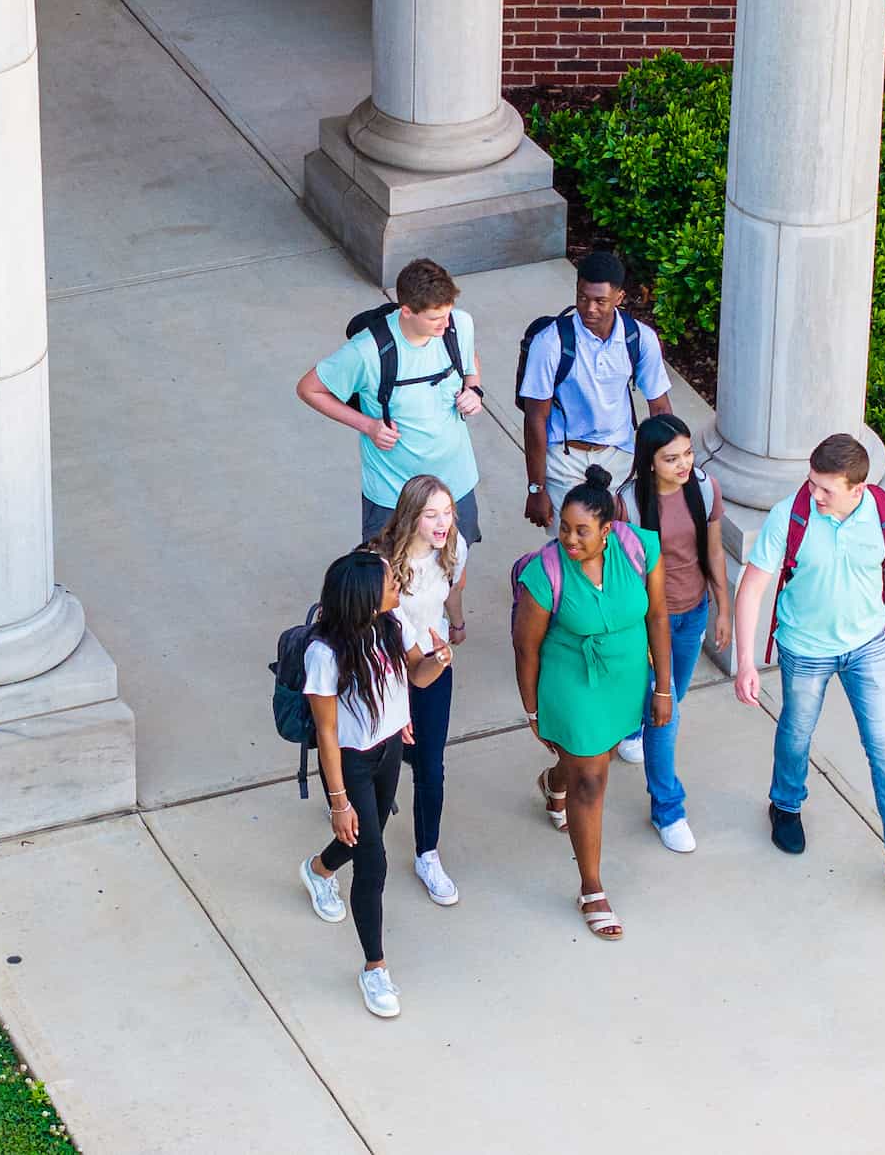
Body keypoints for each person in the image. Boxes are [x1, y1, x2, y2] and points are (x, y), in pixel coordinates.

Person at [731, 433, 885, 900]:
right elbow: (753, 586)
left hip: (867, 648)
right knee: (797, 732)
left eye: (826, 489)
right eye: (811, 483)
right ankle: (785, 805)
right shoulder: (789, 516)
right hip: (804, 648)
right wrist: (745, 662)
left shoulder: (884, 514)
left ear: (856, 489)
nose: (814, 495)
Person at [511, 465, 672, 939]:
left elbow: (659, 617)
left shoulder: (640, 548)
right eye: (564, 527)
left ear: (608, 529)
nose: (569, 538)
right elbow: (527, 646)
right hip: (571, 682)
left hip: (624, 679)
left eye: (582, 531)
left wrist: (663, 687)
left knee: (587, 760)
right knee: (592, 781)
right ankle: (592, 888)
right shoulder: (546, 572)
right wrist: (533, 709)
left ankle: (552, 781)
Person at [298, 548, 453, 1018]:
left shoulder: (391, 625)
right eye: (390, 582)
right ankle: (375, 968)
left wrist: (439, 661)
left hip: (388, 747)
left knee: (371, 833)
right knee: (374, 863)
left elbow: (414, 677)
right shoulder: (324, 654)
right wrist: (339, 800)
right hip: (352, 761)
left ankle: (319, 870)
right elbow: (326, 731)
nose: (398, 586)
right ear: (366, 595)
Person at [298, 258, 486, 545]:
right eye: (435, 318)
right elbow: (310, 389)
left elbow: (469, 355)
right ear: (407, 311)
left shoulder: (459, 325)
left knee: (453, 577)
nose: (445, 324)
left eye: (448, 313)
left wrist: (474, 388)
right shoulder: (366, 350)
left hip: (454, 484)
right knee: (387, 581)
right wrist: (368, 426)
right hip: (392, 492)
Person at [610, 414, 727, 851]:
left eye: (688, 454)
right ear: (649, 462)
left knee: (671, 695)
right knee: (666, 710)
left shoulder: (704, 488)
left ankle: (633, 731)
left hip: (692, 613)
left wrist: (723, 610)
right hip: (649, 623)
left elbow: (713, 551)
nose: (684, 465)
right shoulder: (628, 504)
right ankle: (668, 808)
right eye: (671, 458)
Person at [516, 247, 673, 535]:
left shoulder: (640, 339)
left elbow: (660, 408)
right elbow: (535, 417)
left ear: (619, 298)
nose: (590, 309)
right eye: (582, 298)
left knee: (623, 547)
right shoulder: (549, 343)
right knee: (572, 549)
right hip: (565, 460)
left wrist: (667, 469)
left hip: (621, 456)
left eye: (601, 301)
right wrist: (536, 487)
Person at [370, 475, 471, 906]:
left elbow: (453, 590)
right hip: (389, 674)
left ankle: (427, 852)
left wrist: (458, 625)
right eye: (431, 514)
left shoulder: (454, 548)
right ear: (410, 516)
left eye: (447, 512)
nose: (442, 522)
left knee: (431, 764)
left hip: (434, 666)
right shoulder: (381, 565)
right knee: (380, 755)